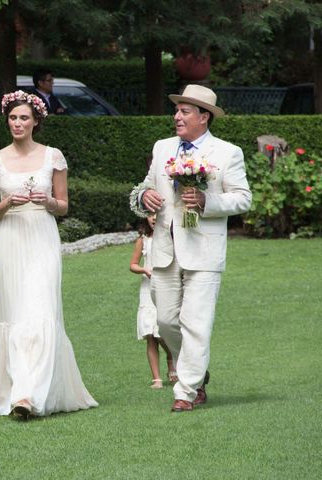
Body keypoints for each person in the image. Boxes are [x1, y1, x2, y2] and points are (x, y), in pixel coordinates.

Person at [0, 90, 97, 419]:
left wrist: (48, 202)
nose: (17, 123)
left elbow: (63, 205)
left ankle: (27, 395)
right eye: (13, 118)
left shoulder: (53, 156)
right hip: (9, 240)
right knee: (14, 316)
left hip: (42, 236)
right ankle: (15, 391)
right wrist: (8, 203)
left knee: (39, 313)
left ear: (36, 121)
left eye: (24, 118)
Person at [130, 84, 252, 412]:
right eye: (177, 110)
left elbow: (243, 197)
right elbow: (143, 187)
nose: (177, 116)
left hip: (204, 252)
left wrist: (206, 201)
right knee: (167, 321)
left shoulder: (228, 152)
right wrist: (144, 197)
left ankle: (185, 391)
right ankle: (197, 371)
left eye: (184, 111)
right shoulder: (162, 147)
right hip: (165, 250)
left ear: (204, 117)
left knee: (196, 323)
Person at [129, 215, 176, 389]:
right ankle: (156, 378)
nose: (154, 218)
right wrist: (144, 269)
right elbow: (133, 264)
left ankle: (171, 358)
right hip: (147, 290)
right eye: (150, 214)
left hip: (166, 287)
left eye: (158, 214)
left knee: (163, 330)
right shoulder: (143, 240)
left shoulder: (172, 237)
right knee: (150, 333)